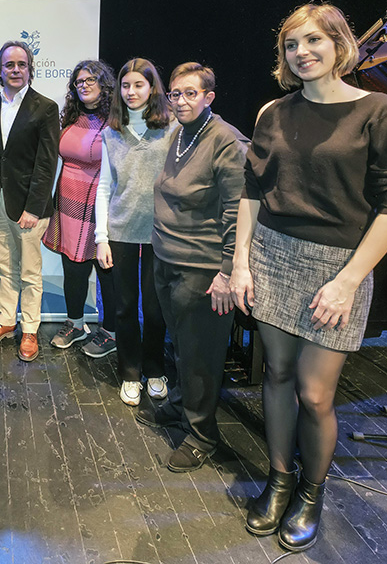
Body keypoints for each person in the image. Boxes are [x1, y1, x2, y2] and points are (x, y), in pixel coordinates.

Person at [232, 2, 387, 552]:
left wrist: (348, 281)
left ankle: (311, 492)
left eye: (313, 41)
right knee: (277, 378)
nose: (302, 52)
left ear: (340, 44)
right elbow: (251, 193)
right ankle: (279, 478)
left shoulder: (383, 112)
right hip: (272, 256)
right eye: (291, 44)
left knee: (314, 395)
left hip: (339, 269)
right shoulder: (273, 113)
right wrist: (241, 262)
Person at [135, 62, 249, 473]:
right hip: (167, 258)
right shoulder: (181, 132)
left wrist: (226, 272)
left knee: (200, 356)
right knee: (180, 348)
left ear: (208, 97)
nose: (180, 101)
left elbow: (239, 213)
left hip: (203, 269)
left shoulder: (227, 142)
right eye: (175, 94)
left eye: (189, 94)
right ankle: (182, 408)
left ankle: (202, 436)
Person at [94, 58, 176, 406]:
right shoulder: (111, 133)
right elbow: (103, 187)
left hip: (161, 232)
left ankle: (155, 368)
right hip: (122, 230)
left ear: (152, 88)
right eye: (125, 86)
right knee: (126, 307)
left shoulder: (172, 128)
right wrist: (101, 237)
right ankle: (130, 371)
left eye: (138, 85)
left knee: (156, 309)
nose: (131, 92)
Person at [0, 40, 60, 361]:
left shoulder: (46, 108)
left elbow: (46, 163)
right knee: (4, 266)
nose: (15, 70)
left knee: (29, 270)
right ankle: (6, 320)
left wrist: (34, 208)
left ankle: (30, 329)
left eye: (21, 64)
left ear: (30, 69)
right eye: (9, 65)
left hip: (29, 207)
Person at [43, 59, 117, 356]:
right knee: (72, 268)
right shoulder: (70, 117)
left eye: (90, 80)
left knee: (106, 269)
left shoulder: (116, 120)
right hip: (68, 199)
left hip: (101, 203)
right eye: (79, 81)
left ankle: (111, 332)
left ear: (105, 84)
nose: (84, 85)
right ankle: (76, 324)